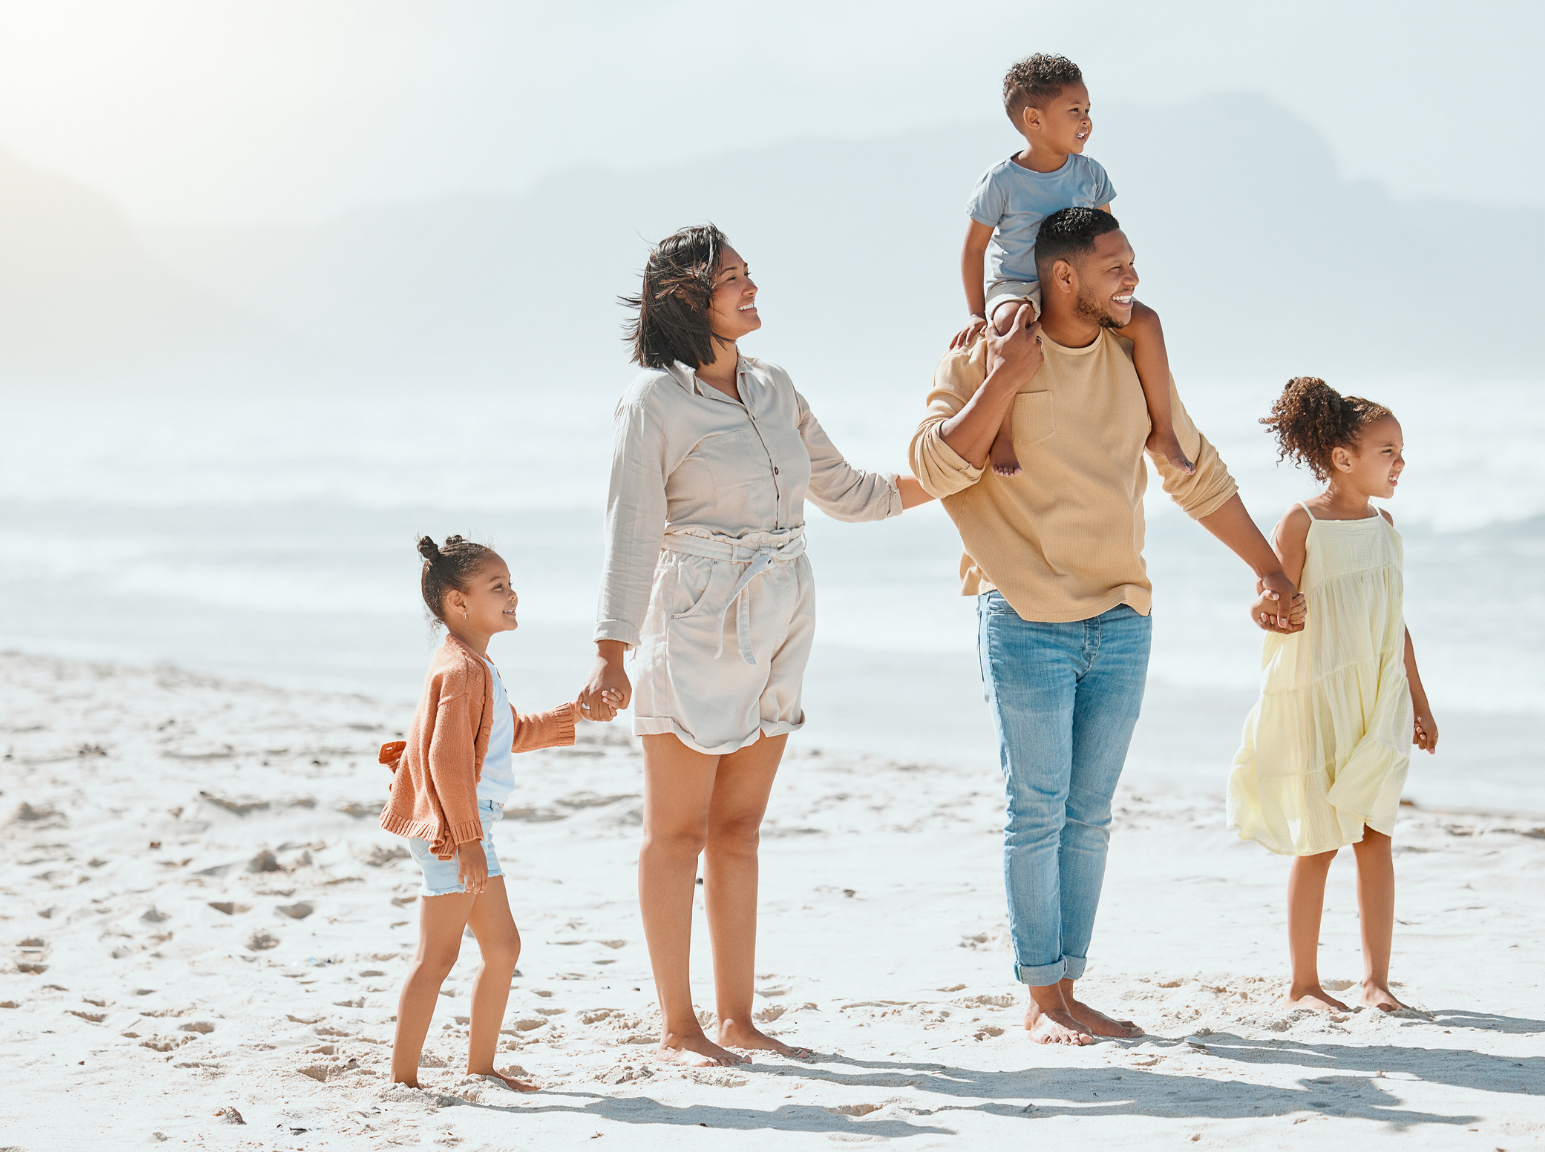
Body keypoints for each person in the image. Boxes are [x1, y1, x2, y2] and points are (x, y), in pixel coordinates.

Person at [910, 207, 1305, 1046]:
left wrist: (1268, 568)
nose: (1131, 279)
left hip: (1122, 614)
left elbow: (1193, 474)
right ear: (1063, 276)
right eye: (1114, 266)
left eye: (1130, 263)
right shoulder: (984, 350)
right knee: (1036, 809)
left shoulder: (1132, 356)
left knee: (1089, 815)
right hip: (1023, 613)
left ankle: (1067, 986)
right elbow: (936, 465)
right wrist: (1005, 375)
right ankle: (1040, 997)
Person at [581, 225, 935, 1067]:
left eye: (745, 273)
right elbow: (630, 530)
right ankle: (680, 1027)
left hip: (785, 609)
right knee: (677, 832)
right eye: (732, 278)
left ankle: (738, 1020)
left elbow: (850, 493)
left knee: (738, 830)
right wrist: (611, 649)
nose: (750, 287)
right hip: (696, 610)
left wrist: (965, 476)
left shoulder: (776, 387)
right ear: (685, 300)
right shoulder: (653, 402)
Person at [1226, 377, 1438, 1013]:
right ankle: (1304, 983)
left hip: (1377, 696)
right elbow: (1273, 600)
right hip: (1317, 699)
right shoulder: (1302, 521)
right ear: (1344, 458)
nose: (1400, 463)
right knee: (1318, 837)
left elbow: (1393, 620)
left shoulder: (1384, 525)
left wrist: (1419, 703)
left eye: (1400, 451)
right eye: (1388, 451)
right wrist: (1268, 612)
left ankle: (1376, 981)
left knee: (1376, 834)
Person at [378, 535, 608, 1091]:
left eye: (511, 585)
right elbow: (447, 758)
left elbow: (499, 735)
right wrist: (469, 839)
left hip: (466, 825)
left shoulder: (475, 665)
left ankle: (480, 1068)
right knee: (438, 955)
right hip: (453, 830)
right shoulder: (462, 670)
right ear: (458, 602)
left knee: (503, 949)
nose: (514, 597)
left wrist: (569, 716)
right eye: (498, 587)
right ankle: (403, 1081)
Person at [951, 53, 1193, 479]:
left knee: (1148, 323)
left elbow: (1108, 239)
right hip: (1019, 283)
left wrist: (1115, 286)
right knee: (1011, 324)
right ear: (1034, 118)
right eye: (1074, 111)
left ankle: (1165, 430)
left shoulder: (1091, 174)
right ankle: (1002, 434)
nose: (1086, 120)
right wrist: (976, 312)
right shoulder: (1002, 181)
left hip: (1080, 286)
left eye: (1088, 111)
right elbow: (973, 250)